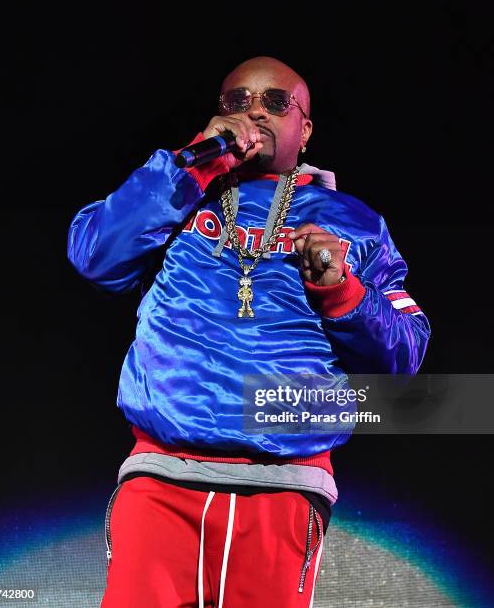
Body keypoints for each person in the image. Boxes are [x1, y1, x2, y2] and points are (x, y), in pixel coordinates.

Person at [67, 56, 430, 607]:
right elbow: (95, 255)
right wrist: (192, 165)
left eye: (275, 102)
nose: (254, 110)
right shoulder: (180, 189)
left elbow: (404, 357)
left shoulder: (355, 223)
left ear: (304, 129)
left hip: (282, 484)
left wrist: (344, 291)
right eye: (237, 101)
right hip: (162, 475)